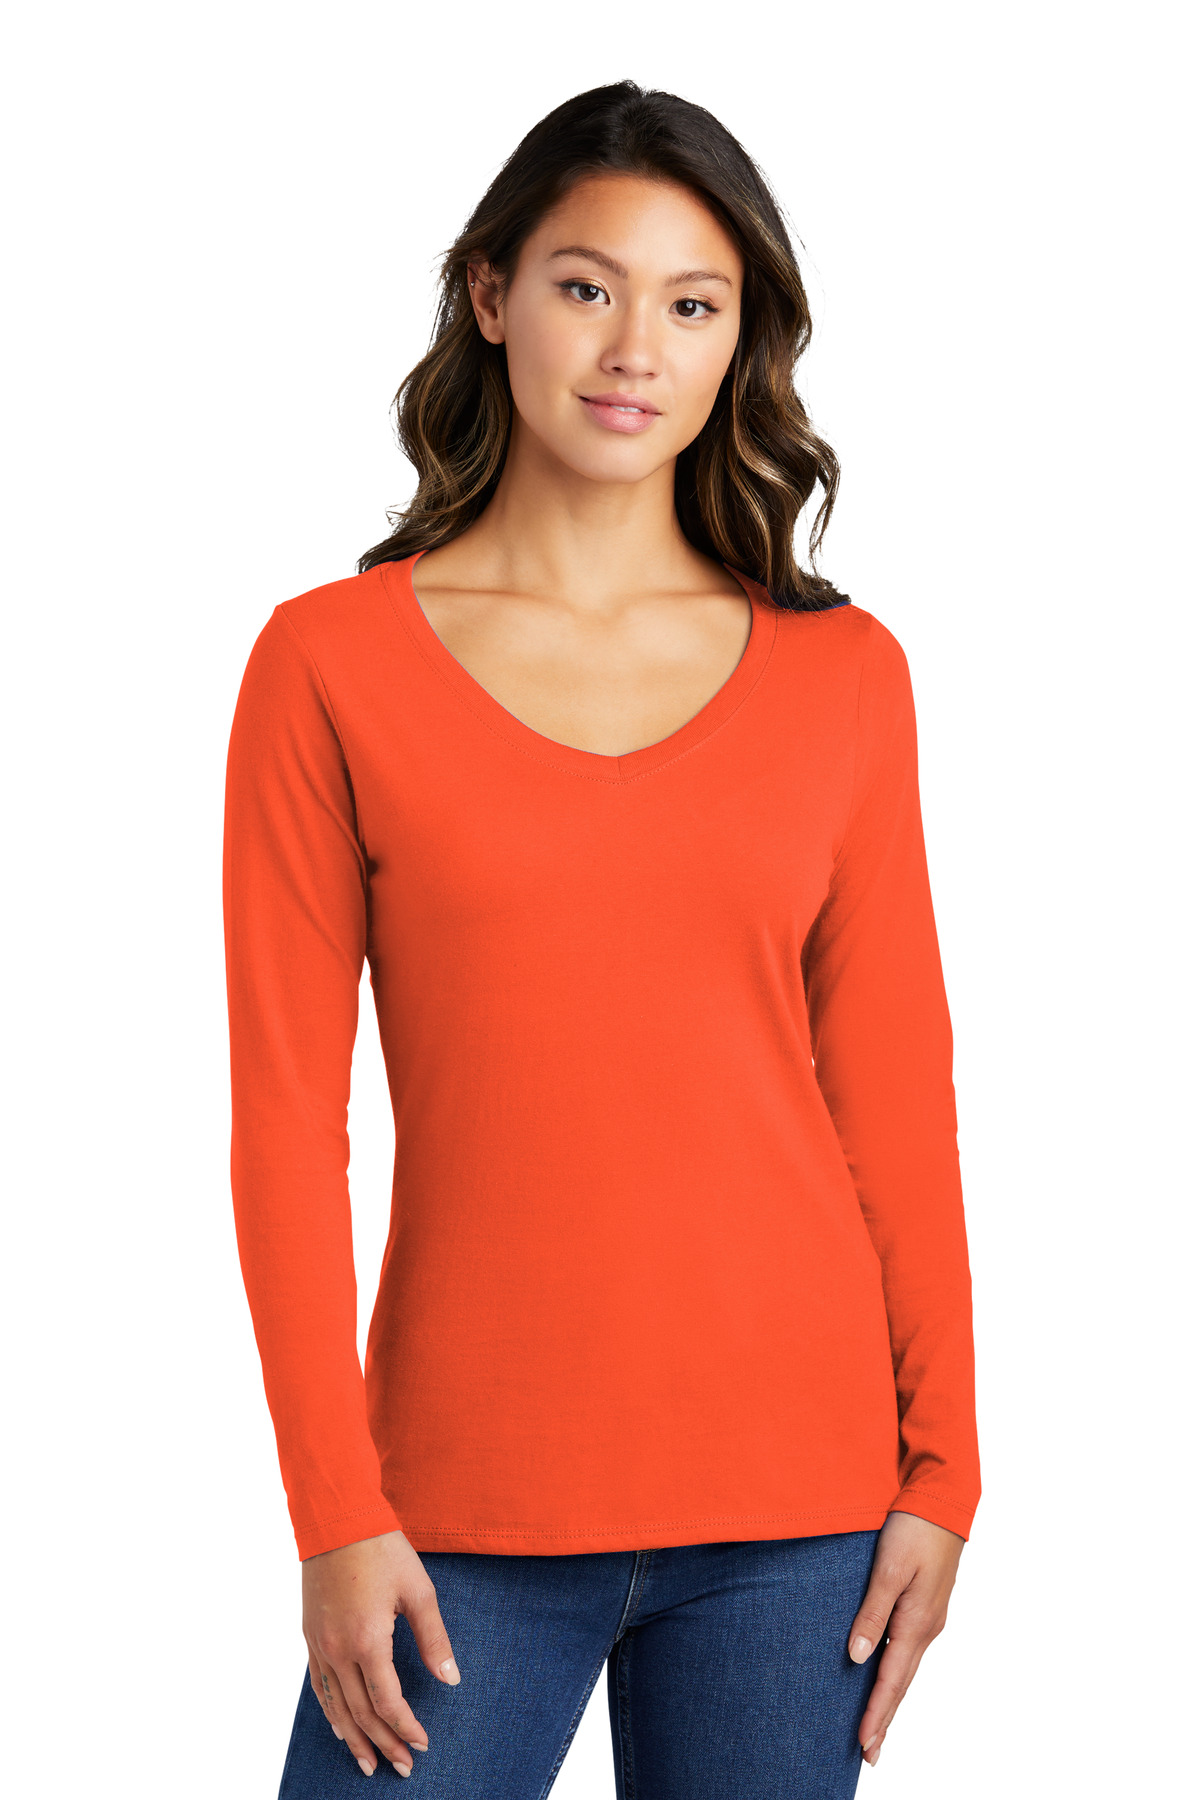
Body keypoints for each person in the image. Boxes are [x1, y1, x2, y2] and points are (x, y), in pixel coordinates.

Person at [222, 80, 981, 1800]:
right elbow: (284, 1125)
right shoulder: (328, 666)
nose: (637, 348)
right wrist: (334, 1511)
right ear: (490, 294)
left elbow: (895, 1096)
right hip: (451, 1514)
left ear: (738, 342)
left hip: (800, 1517)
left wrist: (946, 1468)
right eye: (588, 286)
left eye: (692, 304)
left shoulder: (845, 678)